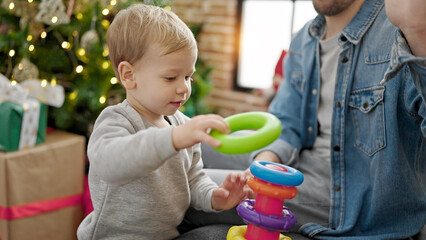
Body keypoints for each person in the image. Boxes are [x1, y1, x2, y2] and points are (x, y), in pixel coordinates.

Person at [247, 0, 425, 239]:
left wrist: (418, 32)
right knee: (197, 151)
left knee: (196, 191)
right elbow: (287, 122)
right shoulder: (304, 38)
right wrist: (266, 163)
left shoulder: (401, 30)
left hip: (349, 202)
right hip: (302, 166)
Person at [76, 4, 253, 240]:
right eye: (171, 77)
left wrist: (216, 197)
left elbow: (193, 178)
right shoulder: (117, 120)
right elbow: (110, 165)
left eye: (188, 76)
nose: (184, 87)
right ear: (129, 75)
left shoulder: (181, 125)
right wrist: (175, 139)